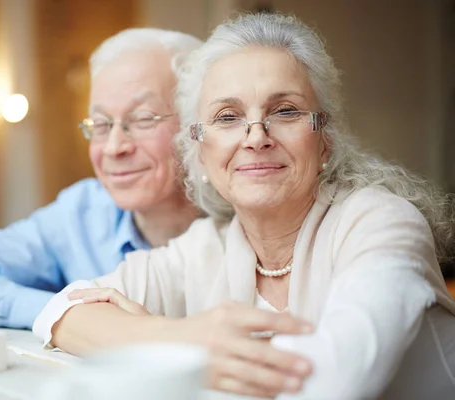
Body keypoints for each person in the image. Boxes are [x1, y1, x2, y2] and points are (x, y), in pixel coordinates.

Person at [32, 13, 455, 399]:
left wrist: (170, 346)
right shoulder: (208, 244)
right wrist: (179, 336)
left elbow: (328, 382)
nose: (255, 137)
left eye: (285, 111)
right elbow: (61, 312)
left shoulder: (381, 222)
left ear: (324, 139)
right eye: (228, 117)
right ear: (199, 151)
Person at [0, 28, 205, 329]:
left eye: (142, 119)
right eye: (100, 124)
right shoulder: (82, 212)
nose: (114, 147)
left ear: (195, 125)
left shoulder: (240, 221)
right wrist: (64, 312)